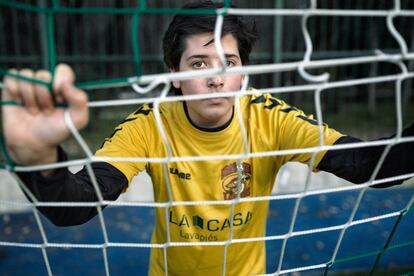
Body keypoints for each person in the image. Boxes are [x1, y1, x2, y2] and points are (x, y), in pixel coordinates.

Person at [1, 1, 413, 275]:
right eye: (198, 62)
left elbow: (367, 166)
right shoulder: (150, 123)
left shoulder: (269, 116)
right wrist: (38, 159)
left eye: (228, 62)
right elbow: (75, 206)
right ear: (175, 77)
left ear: (243, 73)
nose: (216, 76)